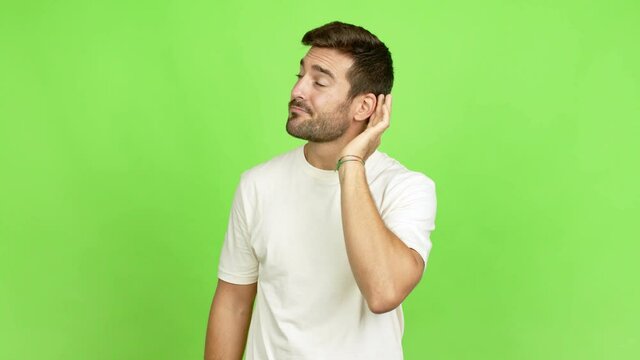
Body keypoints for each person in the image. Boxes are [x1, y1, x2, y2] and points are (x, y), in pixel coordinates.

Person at [204, 21, 437, 360]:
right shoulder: (257, 184)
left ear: (364, 107)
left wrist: (352, 163)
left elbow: (384, 291)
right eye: (300, 76)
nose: (298, 91)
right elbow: (233, 303)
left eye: (319, 81)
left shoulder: (406, 189)